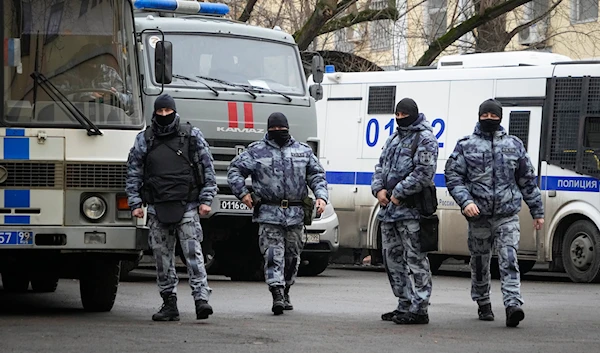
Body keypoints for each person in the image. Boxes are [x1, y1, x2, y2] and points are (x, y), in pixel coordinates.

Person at [444, 98, 544, 328]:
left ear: (500, 117)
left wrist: (537, 211)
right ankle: (483, 301)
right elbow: (453, 177)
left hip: (507, 215)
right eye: (485, 115)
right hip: (478, 216)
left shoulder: (514, 145)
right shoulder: (465, 145)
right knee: (480, 263)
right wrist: (465, 201)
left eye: (493, 115)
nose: (489, 119)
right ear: (479, 116)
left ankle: (512, 305)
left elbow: (527, 180)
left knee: (509, 258)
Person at [125, 94, 218, 322]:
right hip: (157, 207)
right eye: (161, 112)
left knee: (193, 255)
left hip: (187, 205)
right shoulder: (145, 138)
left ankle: (201, 300)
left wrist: (206, 200)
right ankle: (169, 302)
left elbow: (207, 169)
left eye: (168, 112)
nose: (164, 116)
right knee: (162, 257)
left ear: (175, 112)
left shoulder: (191, 135)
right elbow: (134, 172)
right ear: (155, 113)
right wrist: (135, 203)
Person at [226, 112, 328, 315]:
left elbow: (316, 175)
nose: (278, 133)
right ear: (268, 129)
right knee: (273, 256)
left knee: (292, 256)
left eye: (281, 130)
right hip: (268, 213)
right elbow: (234, 170)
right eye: (274, 130)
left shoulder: (303, 151)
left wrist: (321, 197)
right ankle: (277, 293)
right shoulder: (256, 151)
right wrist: (243, 194)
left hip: (296, 213)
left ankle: (286, 288)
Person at [371, 98, 438, 325]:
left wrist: (398, 193)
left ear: (414, 114)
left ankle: (420, 308)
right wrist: (378, 189)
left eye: (404, 114)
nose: (400, 118)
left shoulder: (425, 139)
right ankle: (404, 303)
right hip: (389, 212)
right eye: (397, 114)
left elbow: (423, 173)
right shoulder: (393, 138)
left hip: (412, 212)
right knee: (392, 260)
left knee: (416, 260)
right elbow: (380, 166)